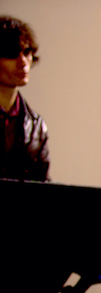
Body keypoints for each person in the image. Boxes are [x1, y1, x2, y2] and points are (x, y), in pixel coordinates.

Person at [0, 15, 49, 181]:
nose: (23, 62)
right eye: (12, 53)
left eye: (26, 52)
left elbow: (42, 188)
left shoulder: (36, 125)